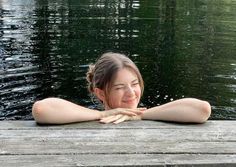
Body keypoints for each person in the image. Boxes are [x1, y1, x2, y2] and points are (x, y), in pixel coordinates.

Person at [32, 52, 211, 124]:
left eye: (134, 84)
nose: (131, 93)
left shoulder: (148, 114)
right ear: (100, 92)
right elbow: (41, 109)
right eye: (119, 87)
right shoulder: (89, 116)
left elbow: (202, 110)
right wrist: (102, 114)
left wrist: (141, 115)